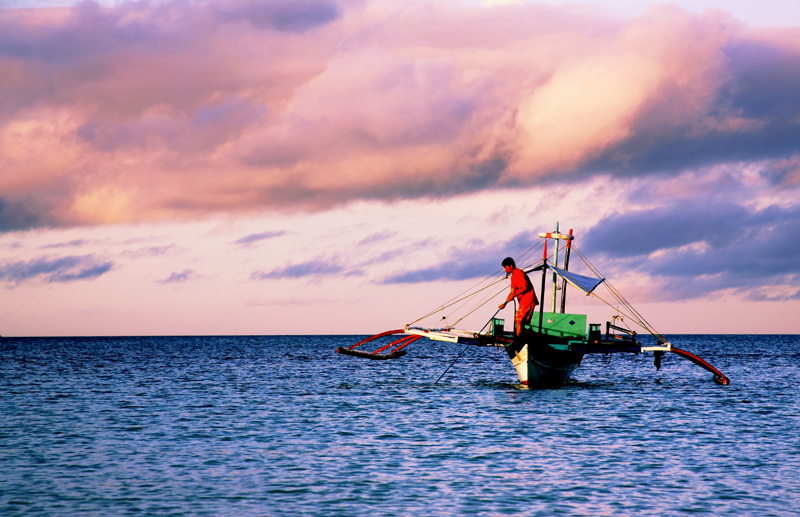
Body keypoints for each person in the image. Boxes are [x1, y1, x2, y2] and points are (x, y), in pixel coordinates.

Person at [498, 257, 538, 336]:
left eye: (506, 267)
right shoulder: (513, 277)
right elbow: (512, 292)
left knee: (518, 320)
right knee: (521, 321)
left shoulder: (519, 273)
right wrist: (504, 303)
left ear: (511, 266)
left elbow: (525, 288)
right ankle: (520, 338)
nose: (505, 270)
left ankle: (518, 340)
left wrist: (514, 295)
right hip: (523, 301)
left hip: (528, 300)